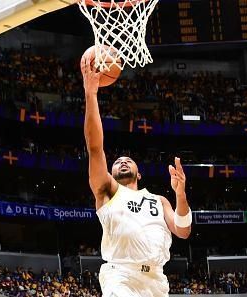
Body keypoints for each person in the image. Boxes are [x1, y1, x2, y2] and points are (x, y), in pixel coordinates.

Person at [81, 53, 192, 297]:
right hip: (120, 275)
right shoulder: (107, 191)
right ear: (109, 172)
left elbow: (183, 231)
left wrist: (180, 195)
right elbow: (95, 147)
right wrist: (91, 95)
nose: (122, 161)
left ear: (139, 174)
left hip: (156, 280)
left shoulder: (159, 200)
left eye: (128, 160)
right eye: (117, 161)